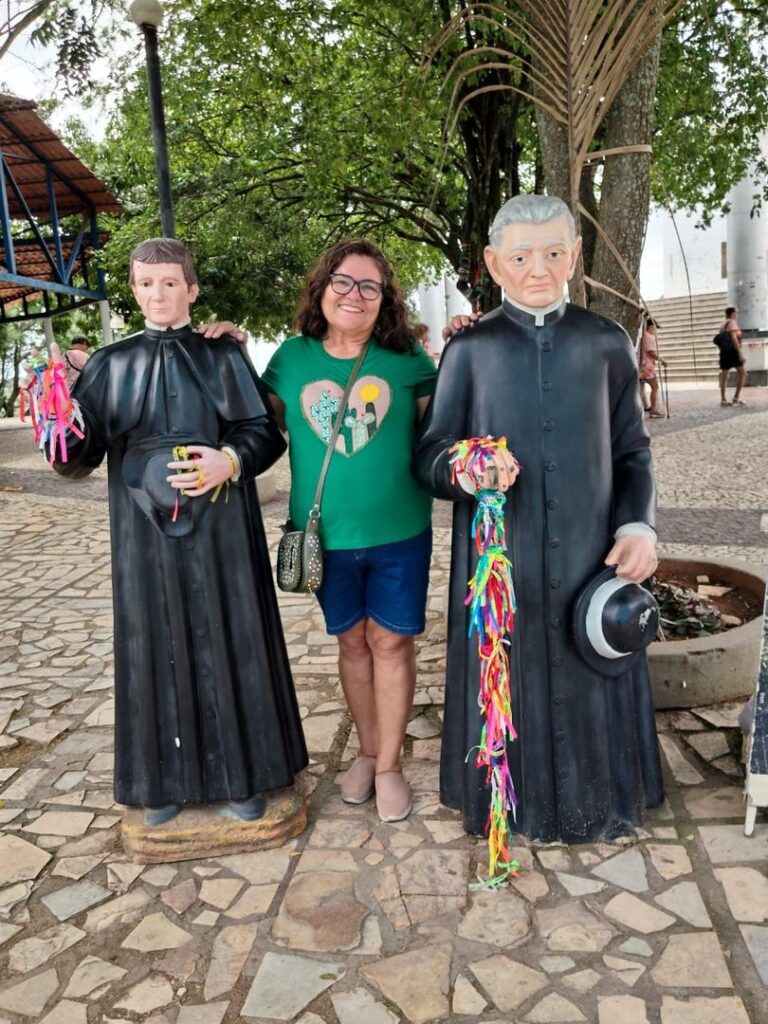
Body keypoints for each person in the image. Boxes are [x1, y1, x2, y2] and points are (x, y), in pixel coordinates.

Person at [415, 194, 663, 844]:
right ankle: (506, 804)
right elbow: (430, 453)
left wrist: (639, 526)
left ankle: (603, 798)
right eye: (521, 256)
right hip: (504, 561)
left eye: (554, 253)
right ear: (495, 263)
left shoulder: (607, 343)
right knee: (512, 672)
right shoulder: (471, 351)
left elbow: (633, 450)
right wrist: (465, 468)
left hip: (592, 557)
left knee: (591, 669)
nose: (537, 269)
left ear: (574, 256)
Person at [34, 238, 307, 826]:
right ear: (133, 289)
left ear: (191, 288)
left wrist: (229, 460)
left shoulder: (224, 357)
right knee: (151, 645)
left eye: (169, 283)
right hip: (142, 538)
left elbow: (263, 434)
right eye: (145, 283)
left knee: (232, 636)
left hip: (224, 532)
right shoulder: (109, 365)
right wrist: (55, 422)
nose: (157, 294)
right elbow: (76, 458)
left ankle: (247, 775)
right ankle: (159, 783)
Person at [202, 240, 437, 822]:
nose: (354, 295)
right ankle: (365, 749)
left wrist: (472, 337)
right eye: (343, 282)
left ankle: (389, 766)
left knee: (391, 641)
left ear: (386, 301)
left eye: (369, 287)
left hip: (400, 532)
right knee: (352, 642)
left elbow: (449, 424)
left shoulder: (408, 361)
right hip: (324, 536)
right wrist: (226, 352)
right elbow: (253, 421)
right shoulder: (292, 359)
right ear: (322, 288)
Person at [718, 306, 747, 407]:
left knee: (725, 376)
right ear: (732, 314)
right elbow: (734, 339)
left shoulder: (723, 324)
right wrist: (739, 353)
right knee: (743, 373)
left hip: (724, 352)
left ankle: (723, 400)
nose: (738, 315)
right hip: (733, 352)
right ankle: (736, 398)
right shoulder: (733, 323)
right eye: (736, 313)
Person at [638, 317, 665, 417]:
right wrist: (661, 360)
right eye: (654, 328)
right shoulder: (649, 336)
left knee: (641, 387)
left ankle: (645, 407)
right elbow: (651, 352)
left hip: (642, 366)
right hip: (648, 367)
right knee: (655, 387)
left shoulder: (642, 336)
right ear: (650, 327)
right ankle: (653, 409)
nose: (655, 330)